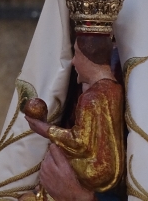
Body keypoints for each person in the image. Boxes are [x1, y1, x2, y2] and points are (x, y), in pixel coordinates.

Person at [22, 35, 124, 199]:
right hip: (110, 170)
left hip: (95, 173)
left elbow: (80, 142)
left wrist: (45, 129)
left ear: (88, 58)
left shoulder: (91, 97)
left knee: (56, 157)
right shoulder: (114, 90)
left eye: (76, 55)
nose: (73, 62)